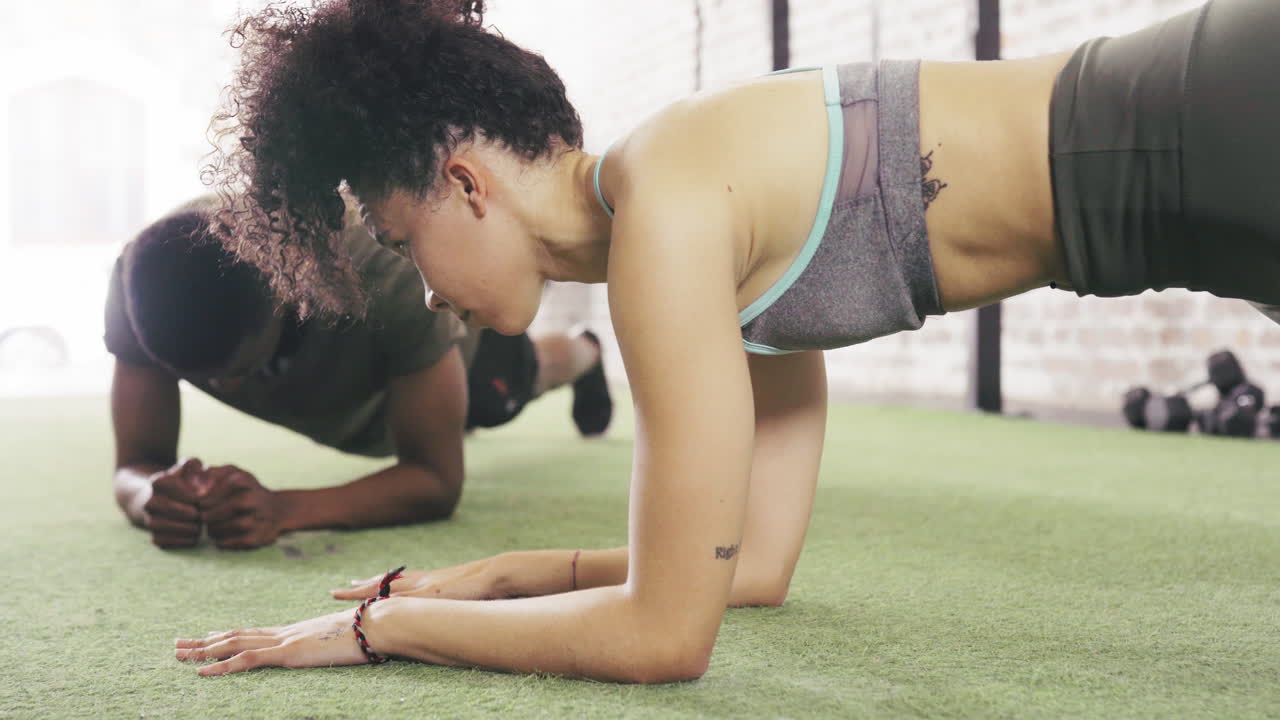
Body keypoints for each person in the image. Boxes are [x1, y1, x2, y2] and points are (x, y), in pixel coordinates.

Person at [176, 0, 1278, 681]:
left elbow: (663, 636)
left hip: (1230, 120)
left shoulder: (668, 215)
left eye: (404, 240)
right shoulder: (698, 235)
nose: (421, 291)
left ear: (463, 184)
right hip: (1220, 173)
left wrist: (385, 630)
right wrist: (499, 576)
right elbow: (746, 567)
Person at [109, 196, 612, 550]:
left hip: (455, 358)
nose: (233, 392)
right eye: (202, 379)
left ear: (288, 294)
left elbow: (435, 481)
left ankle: (585, 352)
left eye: (242, 370)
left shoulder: (389, 277)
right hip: (358, 381)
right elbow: (135, 465)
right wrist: (151, 496)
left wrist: (283, 510)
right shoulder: (140, 285)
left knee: (516, 383)